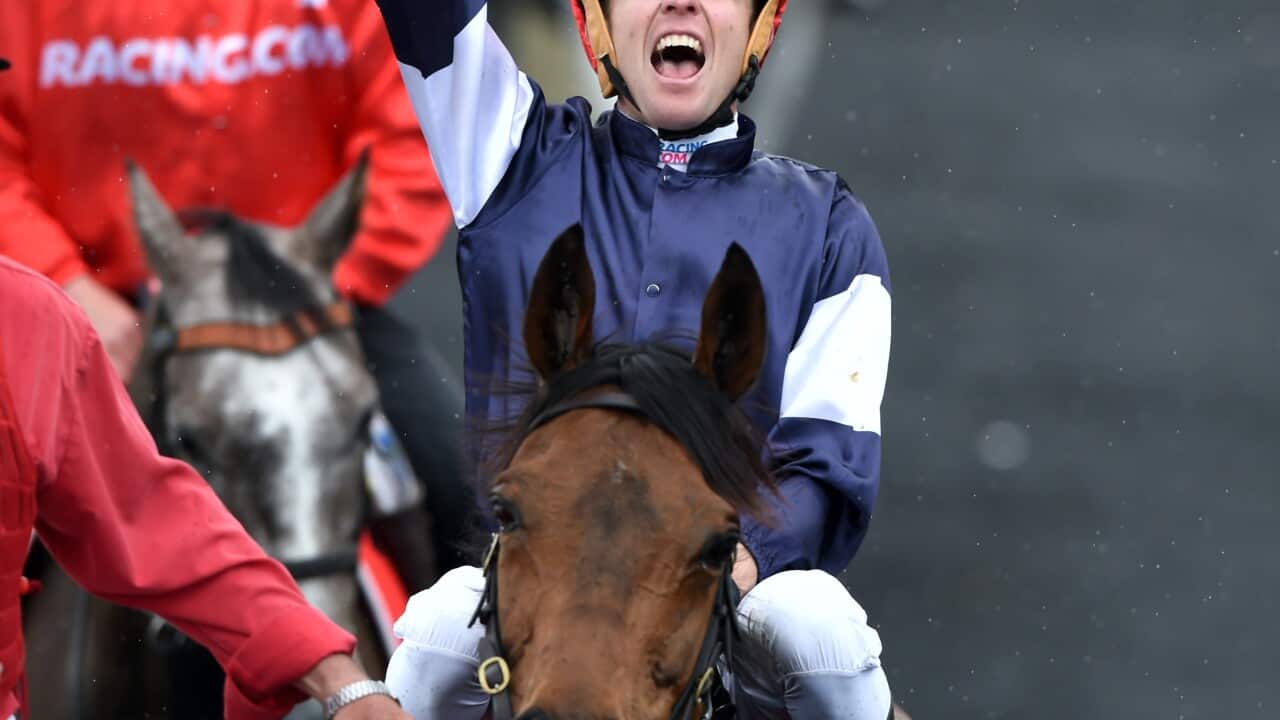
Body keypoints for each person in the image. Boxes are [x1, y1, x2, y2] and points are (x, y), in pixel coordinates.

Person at [371, 0, 896, 717]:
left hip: (720, 580)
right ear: (596, 23)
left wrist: (736, 564)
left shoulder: (832, 226)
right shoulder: (507, 154)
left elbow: (828, 462)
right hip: (533, 575)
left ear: (760, 26)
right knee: (432, 640)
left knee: (821, 631)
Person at [0, 0, 472, 580]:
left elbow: (414, 126)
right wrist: (65, 287)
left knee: (468, 493)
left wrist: (317, 283)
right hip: (102, 323)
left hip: (318, 307)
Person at [0, 255, 409, 719]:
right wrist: (66, 268)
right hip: (99, 278)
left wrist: (338, 678)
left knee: (448, 471)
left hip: (279, 284)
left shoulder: (29, 318)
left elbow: (147, 516)